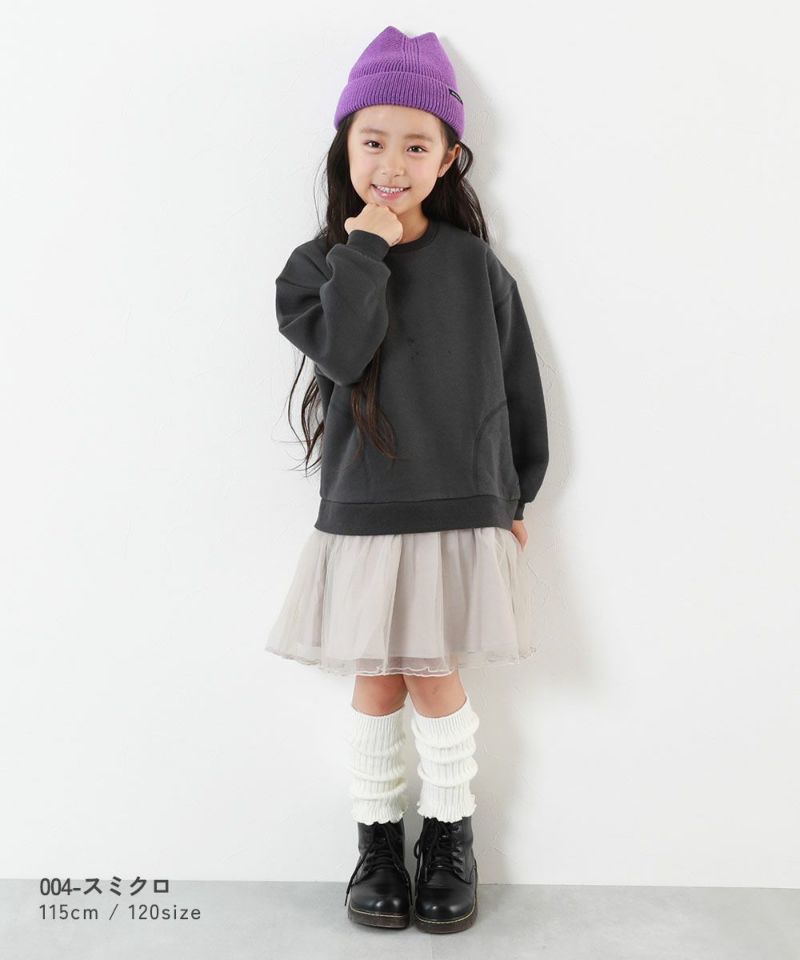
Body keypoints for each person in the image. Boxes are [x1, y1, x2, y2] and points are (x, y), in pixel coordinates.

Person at [265, 25, 549, 934]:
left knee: (433, 676)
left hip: (459, 503)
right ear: (344, 148)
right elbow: (344, 353)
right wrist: (366, 248)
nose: (392, 164)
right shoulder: (316, 268)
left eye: (416, 145)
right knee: (380, 681)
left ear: (449, 157)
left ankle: (450, 839)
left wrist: (517, 493)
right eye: (373, 141)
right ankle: (378, 844)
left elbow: (516, 385)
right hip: (364, 507)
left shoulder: (474, 266)